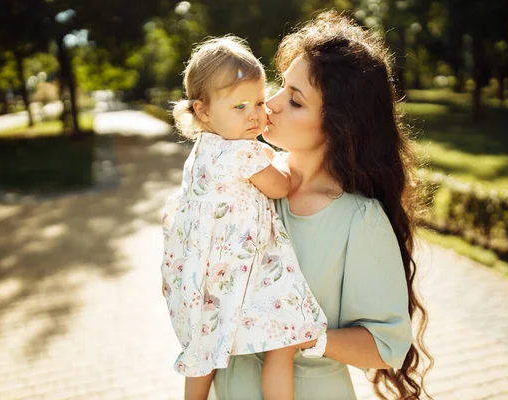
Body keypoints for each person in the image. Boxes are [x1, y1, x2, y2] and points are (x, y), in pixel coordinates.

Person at [211, 11, 432, 400]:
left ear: (337, 126)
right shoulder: (245, 179)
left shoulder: (357, 219)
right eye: (280, 86)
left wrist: (299, 335)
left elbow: (387, 347)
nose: (271, 104)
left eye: (295, 101)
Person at [160, 36, 328, 400]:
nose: (255, 114)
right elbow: (280, 187)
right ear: (203, 111)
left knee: (202, 348)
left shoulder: (202, 149)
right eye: (239, 106)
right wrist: (290, 165)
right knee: (283, 341)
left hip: (201, 272)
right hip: (240, 268)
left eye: (258, 101)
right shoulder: (244, 153)